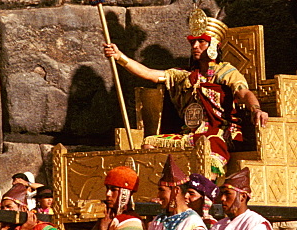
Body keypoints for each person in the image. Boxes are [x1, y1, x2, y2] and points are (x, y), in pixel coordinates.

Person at [102, 9, 268, 179]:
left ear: (213, 45)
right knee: (149, 143)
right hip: (190, 133)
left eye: (201, 42)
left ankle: (206, 191)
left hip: (219, 132)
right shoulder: (184, 76)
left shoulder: (225, 72)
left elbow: (244, 92)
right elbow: (150, 74)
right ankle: (163, 185)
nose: (195, 46)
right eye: (193, 42)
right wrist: (119, 56)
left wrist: (256, 109)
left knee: (208, 148)